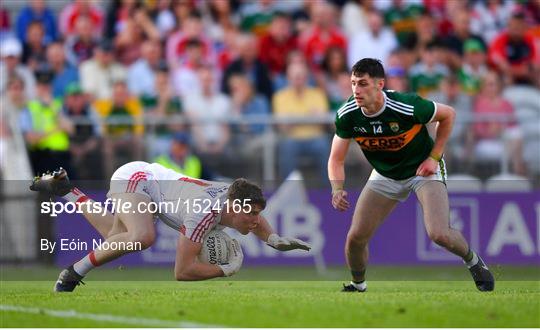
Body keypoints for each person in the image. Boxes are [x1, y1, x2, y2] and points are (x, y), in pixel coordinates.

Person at [327, 58, 494, 293]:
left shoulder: (406, 105)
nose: (356, 90)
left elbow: (448, 115)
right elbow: (336, 159)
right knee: (355, 238)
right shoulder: (348, 114)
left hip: (422, 169)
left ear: (380, 84)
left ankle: (473, 261)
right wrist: (337, 188)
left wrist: (434, 157)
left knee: (439, 234)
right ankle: (358, 285)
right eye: (353, 83)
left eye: (363, 83)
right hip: (385, 175)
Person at [29, 163, 311, 292]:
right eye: (250, 214)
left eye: (257, 214)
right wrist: (225, 269)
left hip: (153, 186)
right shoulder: (204, 214)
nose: (256, 220)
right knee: (143, 236)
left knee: (113, 239)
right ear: (234, 208)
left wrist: (273, 239)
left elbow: (256, 217)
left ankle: (67, 190)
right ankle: (73, 273)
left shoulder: (236, 200)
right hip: (139, 178)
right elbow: (182, 272)